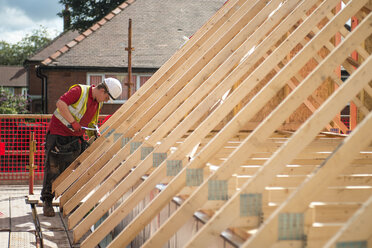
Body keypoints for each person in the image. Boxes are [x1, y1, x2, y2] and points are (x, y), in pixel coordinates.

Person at [41, 78, 122, 217]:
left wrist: (95, 135)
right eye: (107, 97)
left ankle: (65, 202)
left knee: (70, 170)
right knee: (53, 168)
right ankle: (47, 202)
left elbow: (91, 123)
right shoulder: (80, 91)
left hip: (74, 138)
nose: (107, 100)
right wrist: (72, 122)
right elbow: (60, 103)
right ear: (102, 90)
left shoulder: (98, 103)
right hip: (58, 135)